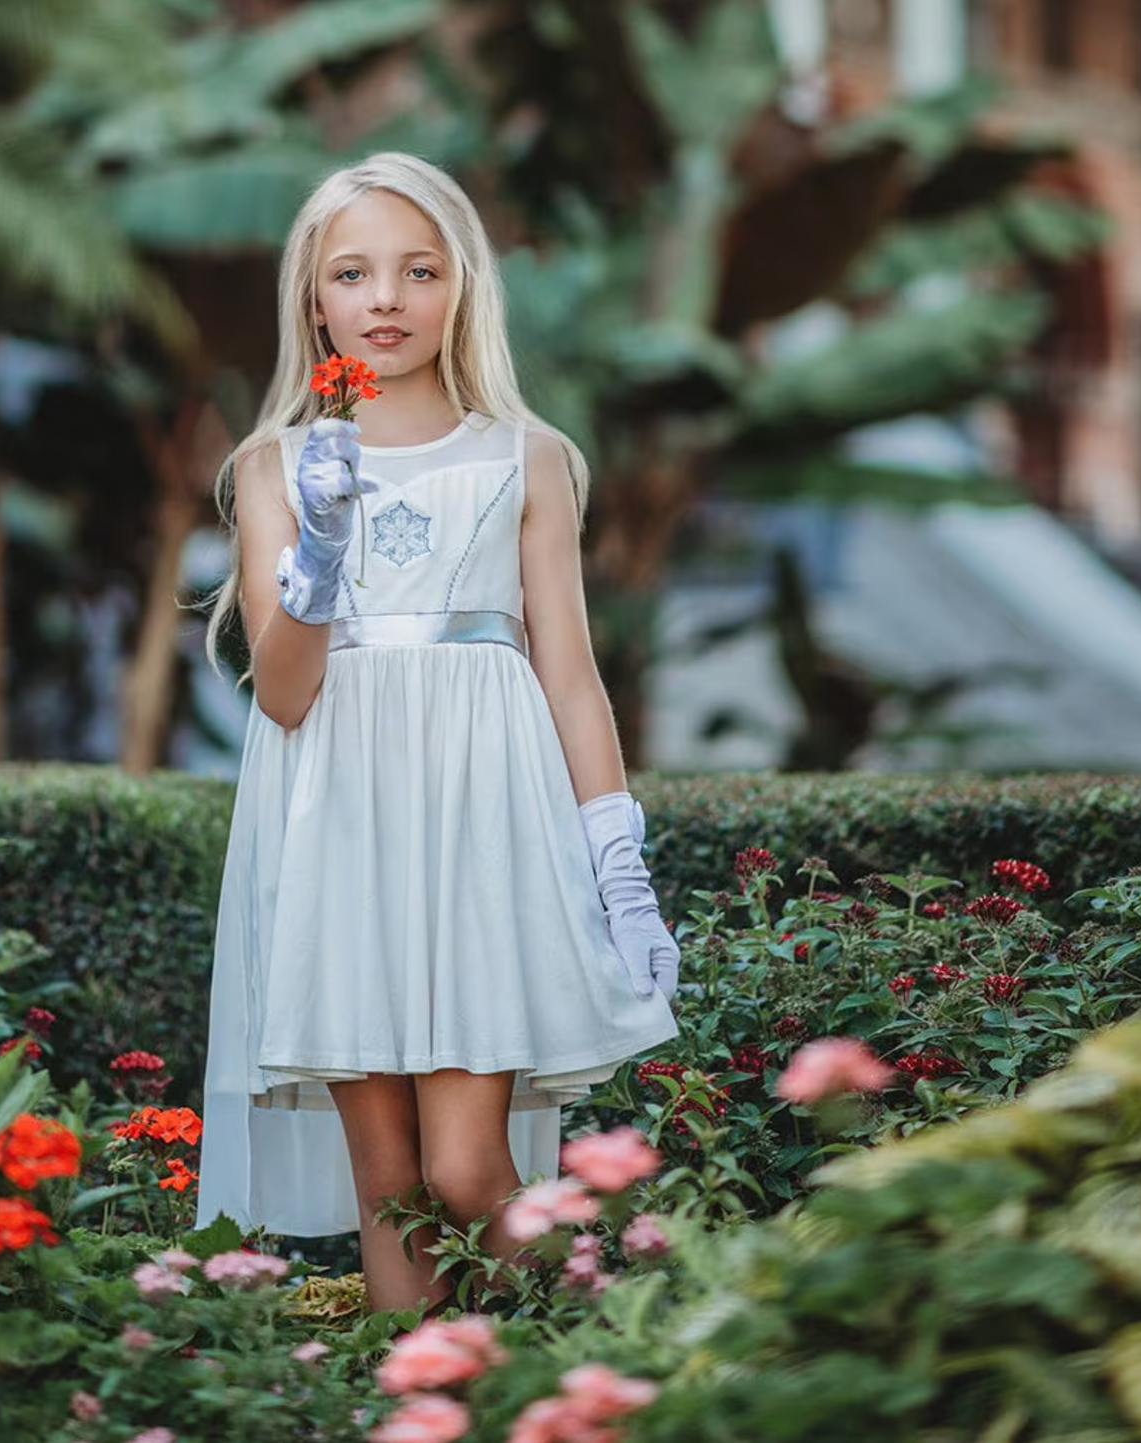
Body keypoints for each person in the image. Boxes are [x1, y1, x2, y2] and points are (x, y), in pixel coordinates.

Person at [196, 152, 680, 1312]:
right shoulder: (273, 467)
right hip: (338, 832)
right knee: (393, 1179)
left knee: (468, 1169)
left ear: (462, 285)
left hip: (480, 836)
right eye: (352, 273)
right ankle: (409, 1405)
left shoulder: (528, 457)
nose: (385, 300)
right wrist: (313, 555)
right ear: (313, 298)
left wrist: (618, 865)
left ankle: (605, 1364)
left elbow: (566, 669)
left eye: (419, 270)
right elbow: (284, 695)